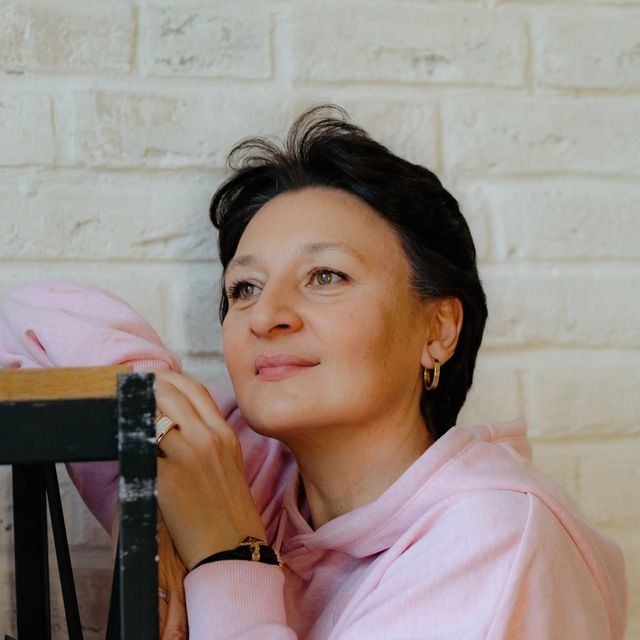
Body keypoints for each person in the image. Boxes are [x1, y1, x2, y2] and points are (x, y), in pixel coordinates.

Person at [0, 106, 628, 639]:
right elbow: (24, 317)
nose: (266, 315)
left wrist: (227, 555)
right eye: (244, 287)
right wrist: (152, 430)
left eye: (325, 276)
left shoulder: (492, 538)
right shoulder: (238, 463)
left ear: (438, 330)